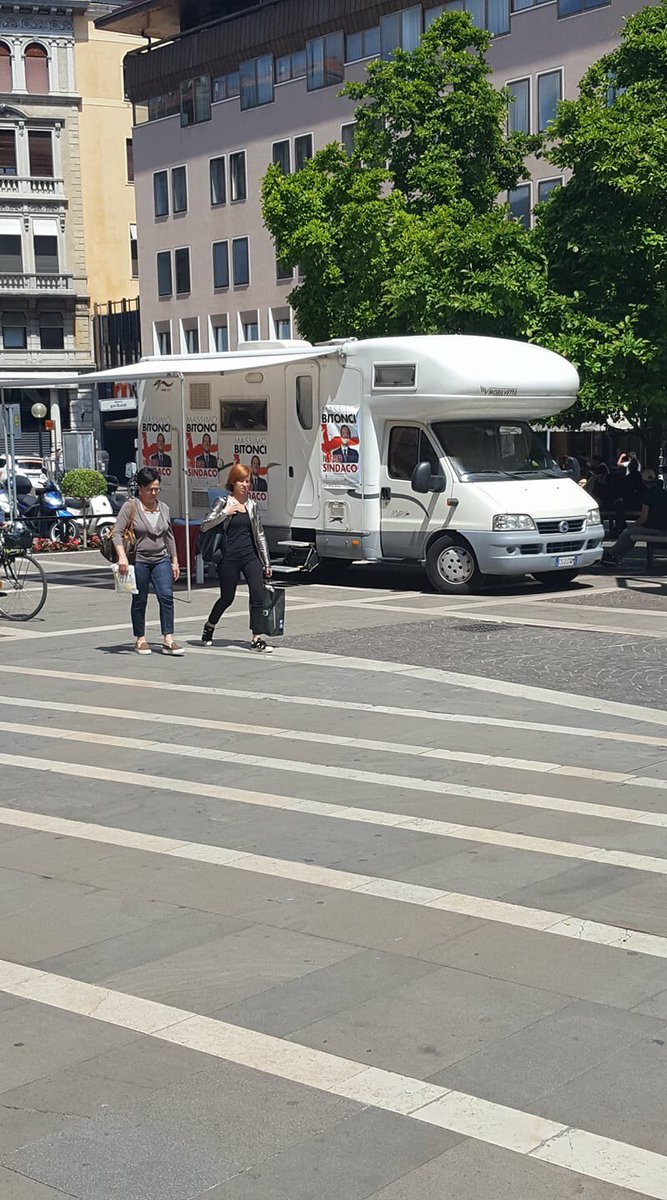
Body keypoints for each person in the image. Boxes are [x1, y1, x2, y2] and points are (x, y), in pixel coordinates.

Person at [201, 464, 273, 652]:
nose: (245, 485)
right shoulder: (223, 502)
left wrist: (266, 562)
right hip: (229, 557)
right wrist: (224, 514)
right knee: (227, 598)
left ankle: (257, 638)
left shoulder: (252, 505)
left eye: (247, 481)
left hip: (250, 556)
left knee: (257, 595)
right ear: (233, 482)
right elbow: (205, 524)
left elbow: (260, 534)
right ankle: (210, 625)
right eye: (241, 481)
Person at [113, 466, 183, 655]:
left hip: (161, 559)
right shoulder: (131, 506)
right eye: (150, 489)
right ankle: (140, 638)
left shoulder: (164, 508)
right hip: (139, 560)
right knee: (140, 599)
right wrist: (122, 557)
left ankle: (168, 638)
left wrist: (175, 561)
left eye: (157, 489)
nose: (153, 493)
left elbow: (169, 536)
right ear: (141, 488)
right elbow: (117, 533)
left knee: (166, 596)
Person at [605, 469, 667, 564]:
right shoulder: (663, 493)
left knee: (627, 533)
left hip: (653, 528)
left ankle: (611, 554)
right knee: (631, 534)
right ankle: (616, 557)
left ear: (643, 481)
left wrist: (633, 524)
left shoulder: (648, 495)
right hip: (663, 527)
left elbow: (643, 518)